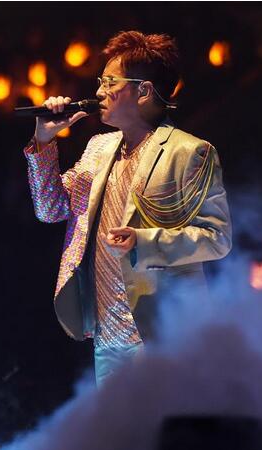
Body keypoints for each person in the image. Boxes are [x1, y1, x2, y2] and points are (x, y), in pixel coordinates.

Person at [23, 30, 232, 385]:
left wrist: (143, 242)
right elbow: (50, 209)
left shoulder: (190, 152)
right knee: (116, 423)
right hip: (107, 335)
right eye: (100, 82)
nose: (99, 92)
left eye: (109, 82)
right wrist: (43, 142)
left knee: (164, 420)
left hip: (163, 333)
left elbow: (217, 237)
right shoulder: (98, 148)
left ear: (144, 91)